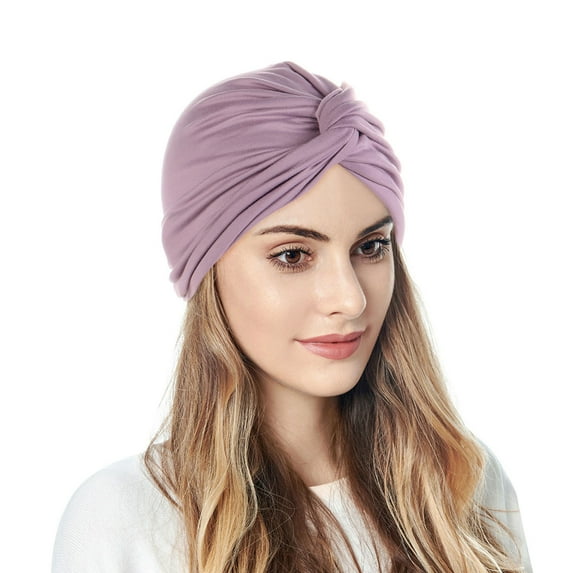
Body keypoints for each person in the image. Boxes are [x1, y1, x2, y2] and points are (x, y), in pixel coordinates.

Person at [52, 62, 532, 573]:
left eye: (371, 246)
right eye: (293, 255)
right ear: (206, 270)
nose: (350, 299)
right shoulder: (122, 519)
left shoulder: (463, 480)